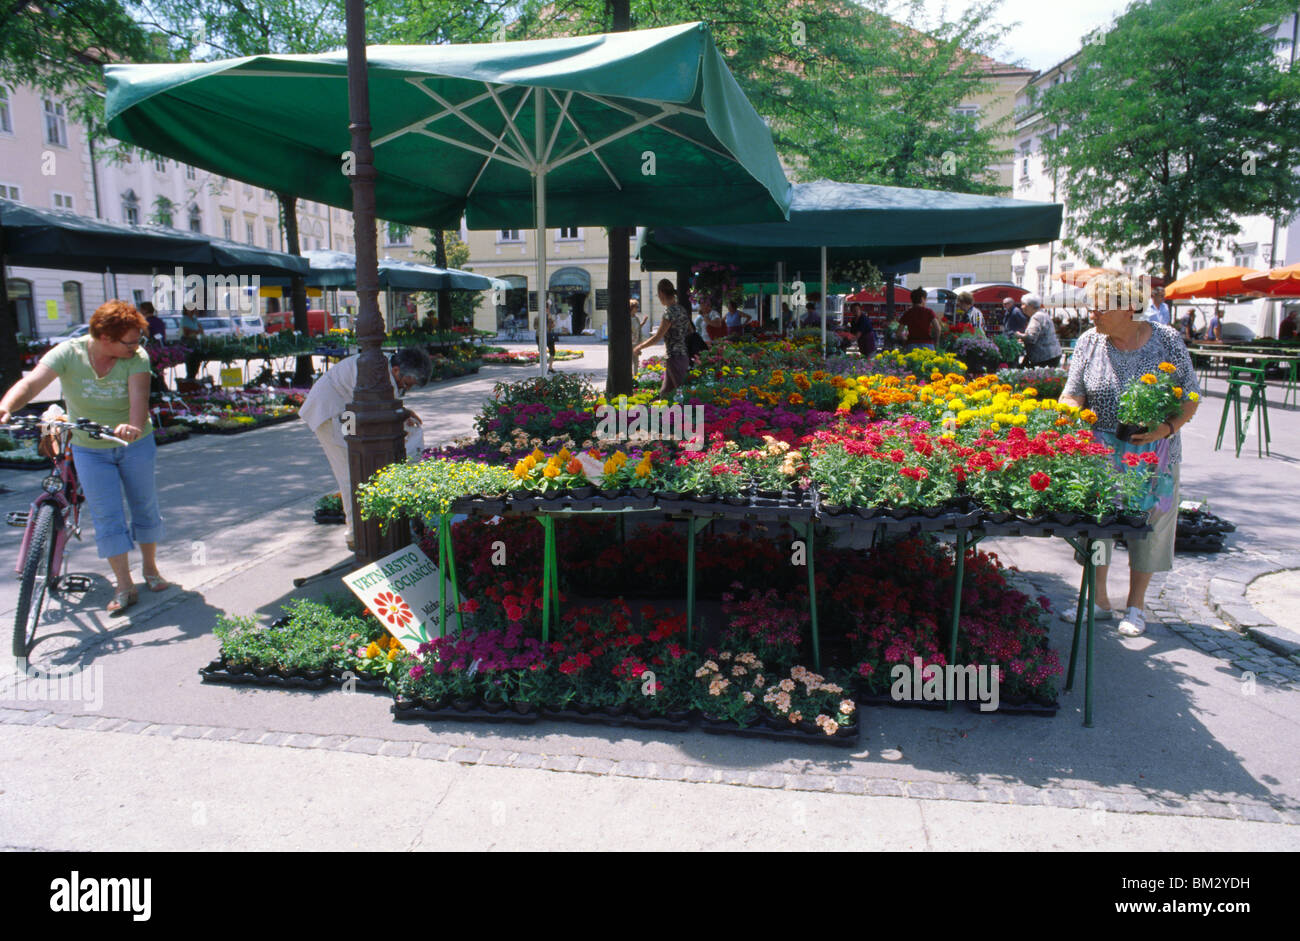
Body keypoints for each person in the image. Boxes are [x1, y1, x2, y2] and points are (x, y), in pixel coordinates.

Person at [0, 300, 171, 615]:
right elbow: (30, 383)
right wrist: (6, 406)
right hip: (89, 447)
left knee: (144, 505)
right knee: (107, 516)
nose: (137, 347)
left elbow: (138, 402)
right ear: (105, 337)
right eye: (130, 341)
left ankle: (150, 568)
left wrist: (131, 426)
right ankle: (124, 585)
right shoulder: (68, 353)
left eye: (138, 341)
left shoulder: (137, 359)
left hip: (134, 444)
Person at [1060, 275, 1200, 637]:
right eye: (1091, 307)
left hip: (1154, 450)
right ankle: (1098, 600)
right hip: (1103, 449)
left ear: (1127, 308)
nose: (1092, 314)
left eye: (1099, 307)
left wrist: (1165, 429)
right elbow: (1073, 392)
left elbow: (1190, 397)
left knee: (1149, 528)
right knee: (1099, 529)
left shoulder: (1166, 340)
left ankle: (1136, 607)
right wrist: (1068, 411)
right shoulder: (1089, 342)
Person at [299, 348, 432, 552]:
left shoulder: (385, 367)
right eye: (406, 384)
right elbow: (374, 407)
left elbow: (383, 405)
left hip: (346, 411)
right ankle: (356, 536)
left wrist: (402, 414)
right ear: (396, 370)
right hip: (332, 412)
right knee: (351, 472)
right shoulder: (375, 371)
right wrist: (399, 417)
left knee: (360, 467)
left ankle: (369, 528)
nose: (406, 389)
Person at [634, 279, 691, 397]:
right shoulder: (682, 309)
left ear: (661, 293)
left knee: (682, 395)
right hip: (683, 355)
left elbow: (657, 337)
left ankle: (689, 414)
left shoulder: (668, 313)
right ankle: (662, 413)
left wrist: (639, 346)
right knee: (665, 393)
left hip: (674, 356)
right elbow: (690, 330)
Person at [1015, 293, 1061, 367]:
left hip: (1043, 357)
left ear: (1030, 306)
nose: (1021, 307)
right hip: (1052, 354)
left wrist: (1018, 335)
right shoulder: (1043, 314)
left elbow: (1031, 338)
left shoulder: (1037, 317)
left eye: (1023, 304)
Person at [180, 301, 204, 380]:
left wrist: (195, 331)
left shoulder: (194, 319)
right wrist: (196, 331)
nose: (193, 310)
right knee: (190, 363)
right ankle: (189, 379)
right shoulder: (184, 319)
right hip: (188, 342)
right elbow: (186, 332)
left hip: (195, 341)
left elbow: (201, 330)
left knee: (196, 361)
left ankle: (192, 378)